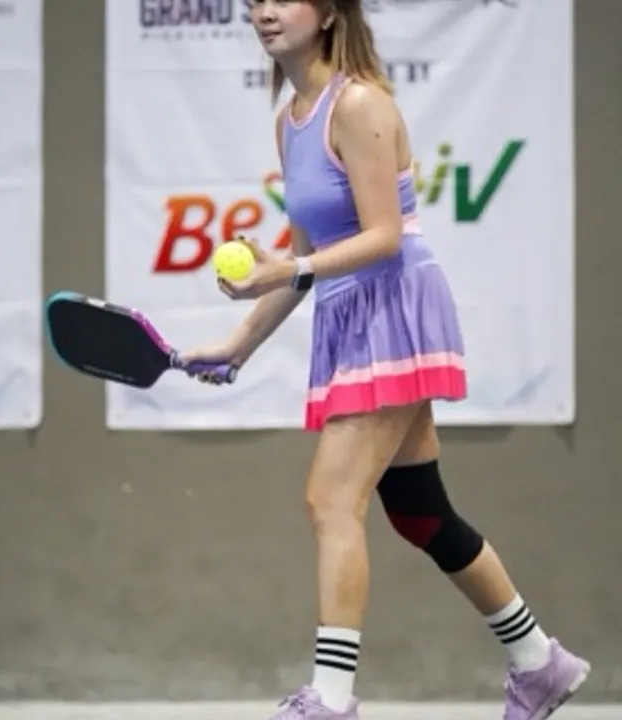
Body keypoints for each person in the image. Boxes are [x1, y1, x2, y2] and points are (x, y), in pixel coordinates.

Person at [182, 0, 591, 718]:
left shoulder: (360, 104)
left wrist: (287, 268)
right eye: (256, 0)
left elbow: (384, 237)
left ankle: (332, 699)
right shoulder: (290, 121)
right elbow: (307, 256)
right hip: (350, 314)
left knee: (331, 500)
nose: (264, 11)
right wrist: (237, 346)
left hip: (394, 309)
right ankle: (539, 662)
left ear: (328, 14)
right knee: (419, 512)